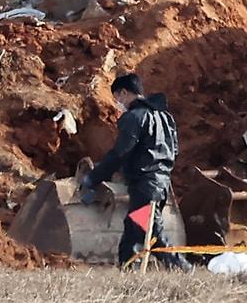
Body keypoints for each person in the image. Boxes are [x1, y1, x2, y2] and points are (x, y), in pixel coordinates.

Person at [81, 73, 191, 271]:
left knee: (146, 233)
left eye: (117, 98)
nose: (118, 103)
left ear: (124, 92)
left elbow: (120, 153)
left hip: (145, 185)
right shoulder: (165, 117)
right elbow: (174, 150)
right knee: (140, 229)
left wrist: (94, 177)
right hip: (162, 183)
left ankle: (180, 267)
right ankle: (130, 268)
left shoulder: (134, 117)